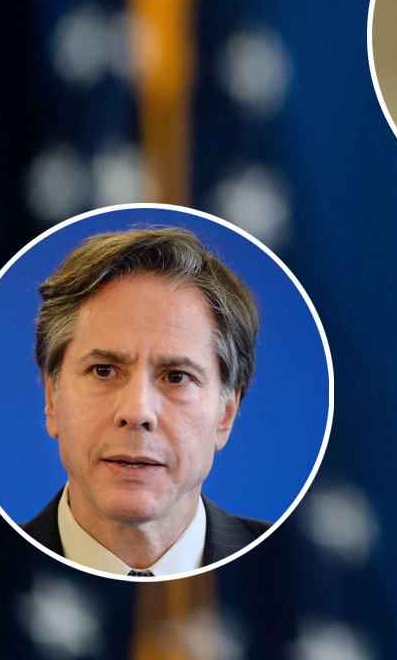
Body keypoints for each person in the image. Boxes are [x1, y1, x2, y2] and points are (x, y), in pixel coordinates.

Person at [19, 227, 271, 576]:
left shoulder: (296, 580)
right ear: (52, 397)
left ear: (226, 414)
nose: (137, 412)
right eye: (104, 370)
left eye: (177, 377)